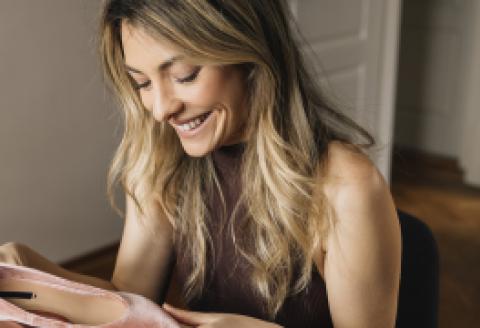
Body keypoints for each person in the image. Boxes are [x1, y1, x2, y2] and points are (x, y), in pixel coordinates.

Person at [0, 1, 401, 327]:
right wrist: (28, 273)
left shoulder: (347, 187)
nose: (160, 109)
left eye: (184, 75)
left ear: (251, 54)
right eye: (141, 82)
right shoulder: (163, 165)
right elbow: (129, 302)